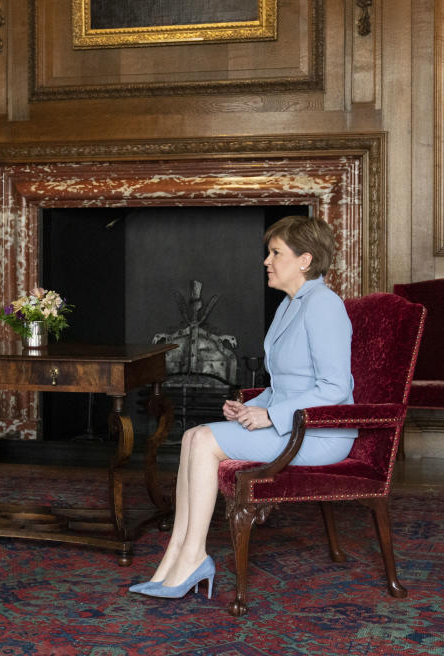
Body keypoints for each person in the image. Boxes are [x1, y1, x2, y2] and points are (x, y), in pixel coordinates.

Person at [130, 215, 356, 599]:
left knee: (203, 441)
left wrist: (269, 415)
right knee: (192, 436)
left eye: (275, 253)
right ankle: (176, 557)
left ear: (305, 260)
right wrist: (251, 406)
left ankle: (193, 557)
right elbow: (286, 384)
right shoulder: (289, 305)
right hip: (291, 423)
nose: (266, 261)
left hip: (320, 433)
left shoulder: (324, 305)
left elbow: (334, 386)